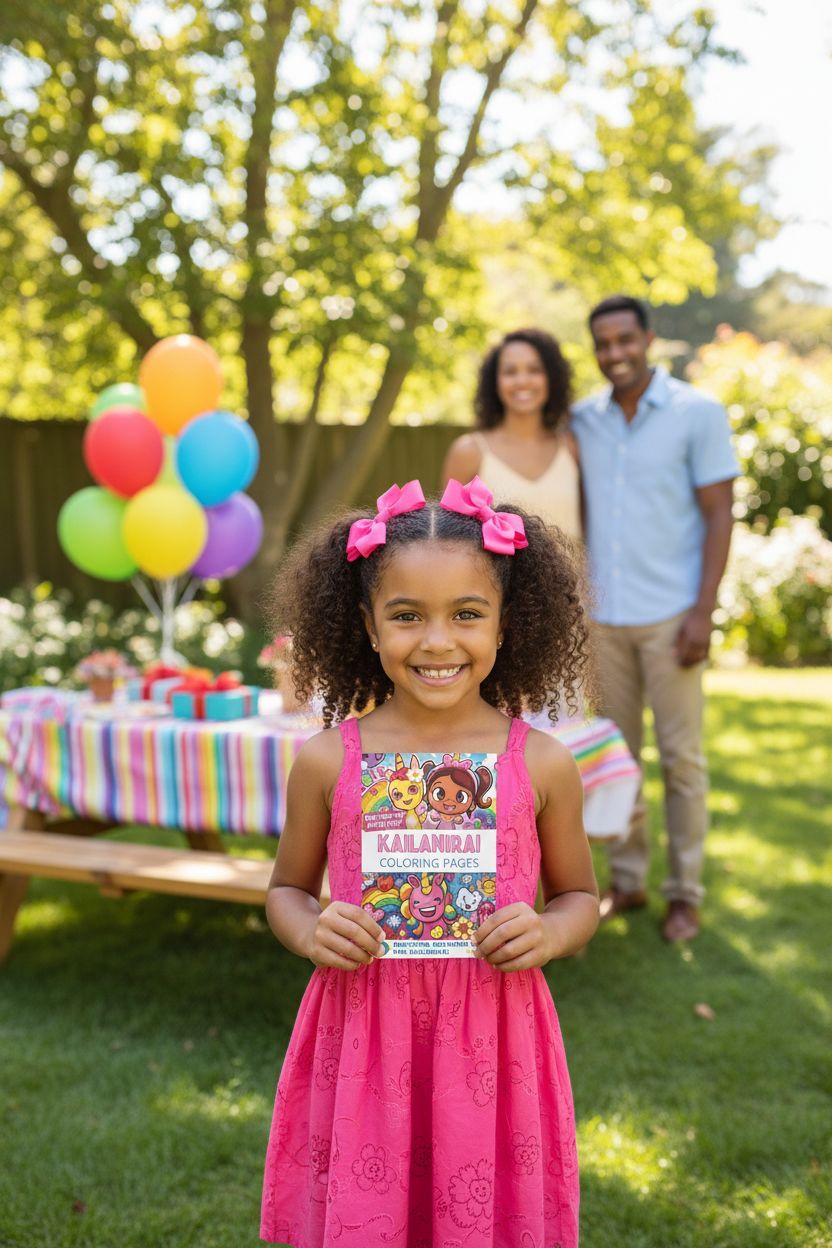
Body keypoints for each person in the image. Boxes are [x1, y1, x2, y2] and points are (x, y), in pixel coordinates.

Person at [260, 478, 599, 1247]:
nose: (438, 641)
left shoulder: (542, 763)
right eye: (407, 615)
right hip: (365, 1032)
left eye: (467, 614)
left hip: (494, 1037)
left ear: (507, 624)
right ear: (368, 625)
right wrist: (310, 928)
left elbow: (581, 896)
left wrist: (550, 932)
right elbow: (285, 889)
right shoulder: (327, 761)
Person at [571, 295, 738, 942]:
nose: (614, 353)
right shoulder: (583, 420)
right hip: (603, 619)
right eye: (603, 343)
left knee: (682, 761)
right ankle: (629, 880)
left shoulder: (698, 413)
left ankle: (685, 893)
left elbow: (720, 513)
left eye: (624, 340)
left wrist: (703, 612)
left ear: (648, 338)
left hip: (672, 616)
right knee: (618, 760)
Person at [441, 328, 581, 540]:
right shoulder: (469, 453)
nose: (522, 381)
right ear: (494, 381)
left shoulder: (571, 448)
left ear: (551, 378)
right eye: (510, 372)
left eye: (534, 370)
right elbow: (449, 540)